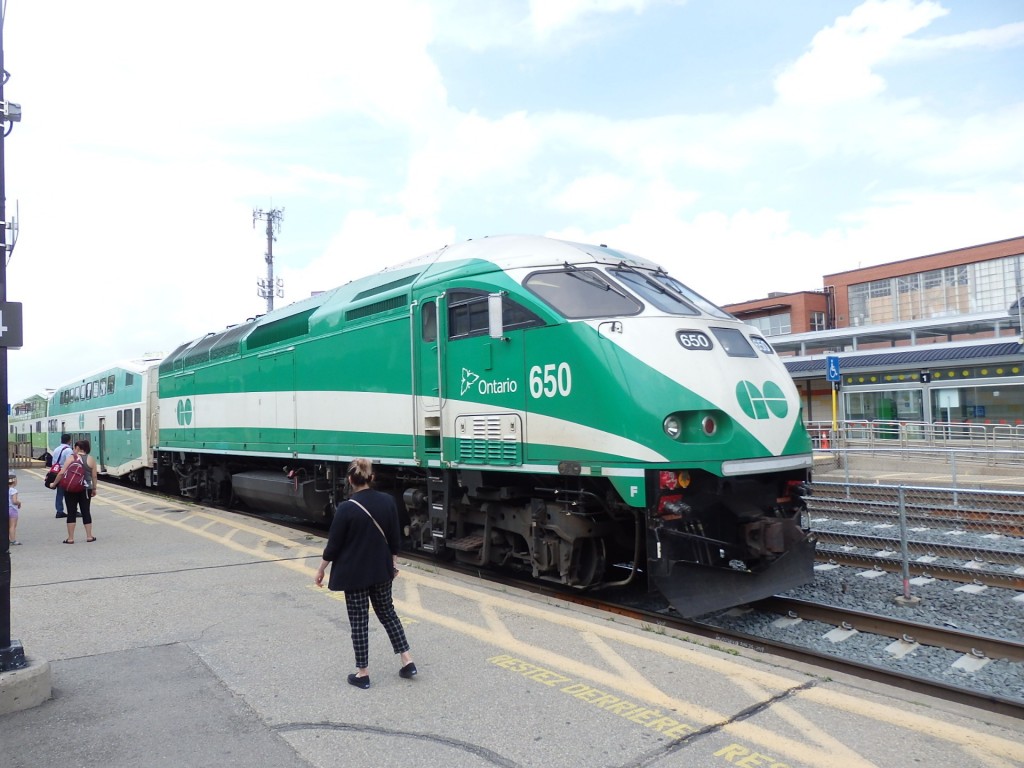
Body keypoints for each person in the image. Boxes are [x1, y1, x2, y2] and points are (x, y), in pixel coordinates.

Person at [314, 458, 416, 689]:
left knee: (359, 622)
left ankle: (363, 673)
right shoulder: (388, 501)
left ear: (350, 480)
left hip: (355, 574)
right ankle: (407, 660)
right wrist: (392, 563)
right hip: (381, 571)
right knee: (388, 613)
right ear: (371, 478)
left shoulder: (346, 508)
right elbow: (395, 538)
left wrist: (321, 570)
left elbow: (333, 546)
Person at [48, 439, 98, 544]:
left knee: (71, 512)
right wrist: (94, 488)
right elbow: (94, 476)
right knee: (86, 511)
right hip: (85, 489)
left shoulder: (71, 458)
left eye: (74, 448)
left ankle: (70, 538)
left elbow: (61, 473)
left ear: (77, 448)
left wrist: (54, 483)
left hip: (70, 488)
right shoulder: (91, 459)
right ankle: (89, 536)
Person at [50, 433, 73, 519]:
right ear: (69, 440)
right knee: (70, 493)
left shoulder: (56, 449)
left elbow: (53, 463)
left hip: (57, 473)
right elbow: (70, 462)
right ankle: (72, 510)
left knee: (59, 493)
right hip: (65, 474)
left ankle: (59, 511)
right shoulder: (68, 450)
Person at [8, 473, 21, 545]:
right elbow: (14, 501)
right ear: (14, 481)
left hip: (5, 509)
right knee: (12, 526)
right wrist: (19, 503)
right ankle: (13, 540)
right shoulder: (13, 490)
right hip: (12, 510)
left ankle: (6, 539)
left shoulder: (4, 489)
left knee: (6, 525)